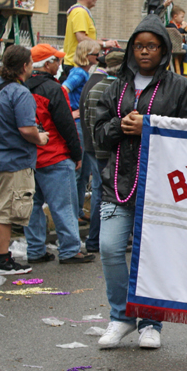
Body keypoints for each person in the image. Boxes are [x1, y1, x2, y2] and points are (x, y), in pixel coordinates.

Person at [94, 15, 187, 349]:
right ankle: (121, 317)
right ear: (131, 50)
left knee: (153, 255)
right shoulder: (116, 87)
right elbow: (98, 133)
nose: (145, 52)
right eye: (139, 46)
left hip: (161, 187)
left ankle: (152, 322)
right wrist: (120, 125)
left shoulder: (182, 88)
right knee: (110, 247)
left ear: (163, 50)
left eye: (152, 46)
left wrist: (151, 126)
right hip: (117, 184)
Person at [24, 44, 94, 266]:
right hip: (54, 154)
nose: (59, 65)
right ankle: (70, 250)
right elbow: (66, 125)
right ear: (47, 64)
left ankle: (35, 250)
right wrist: (76, 154)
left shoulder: (20, 87)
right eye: (56, 60)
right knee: (63, 205)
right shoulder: (54, 89)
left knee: (33, 205)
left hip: (28, 157)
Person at [0, 46, 48, 275]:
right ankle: (2, 259)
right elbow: (26, 129)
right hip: (13, 160)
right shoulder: (20, 92)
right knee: (5, 212)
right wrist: (41, 138)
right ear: (25, 66)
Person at [79, 48, 124, 253]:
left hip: (94, 147)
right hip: (108, 150)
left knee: (99, 191)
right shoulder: (117, 89)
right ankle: (98, 239)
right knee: (106, 194)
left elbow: (87, 119)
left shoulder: (95, 87)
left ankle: (95, 238)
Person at [63, 39, 100, 221]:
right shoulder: (78, 74)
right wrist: (71, 112)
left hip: (82, 123)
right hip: (78, 123)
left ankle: (78, 211)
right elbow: (64, 90)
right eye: (96, 54)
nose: (99, 57)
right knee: (79, 170)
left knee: (84, 171)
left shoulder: (84, 73)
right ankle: (73, 212)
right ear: (87, 56)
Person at [62, 0, 118, 81]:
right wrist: (104, 44)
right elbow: (82, 38)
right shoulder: (80, 12)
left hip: (77, 64)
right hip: (75, 64)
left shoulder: (80, 11)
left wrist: (101, 42)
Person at [167, 6, 187, 75]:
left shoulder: (180, 25)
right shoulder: (171, 25)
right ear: (175, 16)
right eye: (182, 17)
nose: (183, 19)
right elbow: (177, 32)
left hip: (182, 44)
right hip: (176, 45)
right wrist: (183, 27)